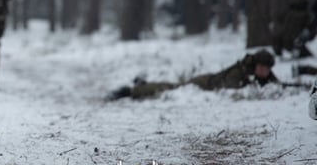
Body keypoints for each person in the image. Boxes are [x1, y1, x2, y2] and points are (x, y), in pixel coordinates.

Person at [108, 49, 278, 101]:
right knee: (170, 88)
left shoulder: (257, 73)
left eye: (267, 69)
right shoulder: (239, 72)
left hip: (207, 81)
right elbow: (230, 90)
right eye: (262, 68)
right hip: (202, 83)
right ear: (255, 65)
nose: (265, 72)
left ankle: (141, 86)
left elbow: (277, 85)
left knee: (170, 87)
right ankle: (133, 91)